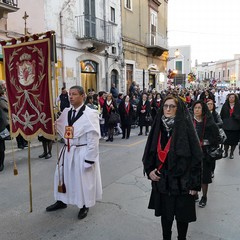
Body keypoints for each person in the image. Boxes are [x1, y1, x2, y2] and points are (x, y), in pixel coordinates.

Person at [142, 95, 202, 240]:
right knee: (166, 216)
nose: (168, 109)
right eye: (165, 106)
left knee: (182, 218)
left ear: (178, 109)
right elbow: (149, 152)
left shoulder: (186, 126)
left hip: (183, 182)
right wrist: (149, 170)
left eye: (172, 106)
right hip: (163, 181)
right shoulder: (158, 126)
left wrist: (194, 183)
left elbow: (196, 157)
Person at [46, 86, 102, 220]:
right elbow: (58, 126)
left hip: (82, 151)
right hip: (67, 150)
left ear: (82, 96)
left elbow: (93, 140)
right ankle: (61, 200)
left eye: (74, 94)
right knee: (61, 176)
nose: (70, 96)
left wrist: (90, 159)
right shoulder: (66, 112)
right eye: (70, 94)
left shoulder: (90, 114)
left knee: (83, 180)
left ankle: (84, 205)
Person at [192, 100, 220, 208]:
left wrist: (205, 142)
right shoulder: (189, 121)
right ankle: (195, 194)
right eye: (195, 108)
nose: (197, 110)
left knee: (204, 177)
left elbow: (216, 137)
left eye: (199, 108)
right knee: (193, 174)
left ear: (203, 109)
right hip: (193, 153)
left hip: (205, 153)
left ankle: (204, 197)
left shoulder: (209, 121)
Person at [206, 99, 223, 178]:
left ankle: (212, 171)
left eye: (211, 104)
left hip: (213, 138)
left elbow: (220, 123)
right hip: (205, 138)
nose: (209, 105)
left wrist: (212, 126)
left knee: (213, 155)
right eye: (208, 104)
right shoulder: (203, 114)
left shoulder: (215, 114)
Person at [220, 93, 240, 159]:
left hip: (235, 126)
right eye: (230, 97)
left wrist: (236, 116)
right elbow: (221, 115)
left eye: (233, 97)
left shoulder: (238, 105)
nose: (231, 98)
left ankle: (231, 153)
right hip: (226, 126)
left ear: (235, 98)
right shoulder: (225, 105)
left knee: (234, 141)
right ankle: (225, 152)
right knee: (226, 141)